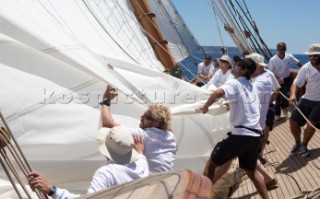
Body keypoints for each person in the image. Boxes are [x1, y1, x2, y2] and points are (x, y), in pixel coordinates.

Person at [198, 58, 269, 199]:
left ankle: (202, 196)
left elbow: (218, 92)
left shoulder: (234, 82)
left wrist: (205, 107)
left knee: (211, 165)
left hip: (240, 136)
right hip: (255, 136)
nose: (234, 67)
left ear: (243, 71)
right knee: (252, 172)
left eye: (237, 66)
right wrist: (231, 104)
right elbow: (251, 107)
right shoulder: (252, 87)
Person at [28, 126, 149, 198]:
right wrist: (139, 152)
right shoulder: (141, 162)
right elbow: (140, 157)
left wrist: (51, 190)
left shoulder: (106, 173)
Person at [101, 86, 176, 173]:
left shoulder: (145, 135)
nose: (141, 118)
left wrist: (106, 100)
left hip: (148, 183)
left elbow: (107, 124)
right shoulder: (171, 137)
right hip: (165, 181)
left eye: (146, 117)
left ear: (155, 124)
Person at [248, 53, 281, 164]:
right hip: (251, 110)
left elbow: (277, 90)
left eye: (263, 66)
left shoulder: (268, 74)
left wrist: (269, 102)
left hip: (267, 106)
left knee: (265, 130)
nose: (262, 68)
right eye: (259, 66)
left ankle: (260, 154)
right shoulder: (245, 76)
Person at [288, 43, 320, 158]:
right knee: (293, 122)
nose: (312, 58)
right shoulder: (305, 68)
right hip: (307, 98)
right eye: (310, 56)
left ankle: (304, 145)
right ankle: (297, 142)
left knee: (311, 123)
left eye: (315, 56)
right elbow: (296, 84)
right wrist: (293, 95)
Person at [268, 42, 302, 120]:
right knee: (277, 97)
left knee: (285, 95)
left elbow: (298, 63)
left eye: (282, 49)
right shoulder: (273, 60)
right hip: (276, 80)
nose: (280, 51)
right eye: (278, 49)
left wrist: (305, 70)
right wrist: (278, 78)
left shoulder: (289, 57)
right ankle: (277, 114)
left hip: (286, 79)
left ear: (285, 49)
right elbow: (270, 72)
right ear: (277, 50)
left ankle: (284, 107)